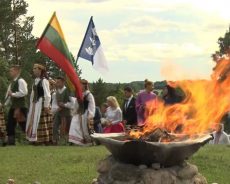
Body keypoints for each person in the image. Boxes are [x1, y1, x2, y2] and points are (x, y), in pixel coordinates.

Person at [26, 63, 53, 144]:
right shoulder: (35, 80)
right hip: (35, 103)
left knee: (41, 121)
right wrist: (31, 103)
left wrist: (46, 106)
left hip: (41, 103)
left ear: (40, 70)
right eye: (33, 68)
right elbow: (32, 94)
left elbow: (47, 94)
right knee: (34, 120)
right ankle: (35, 139)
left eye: (35, 68)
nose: (33, 70)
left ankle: (43, 140)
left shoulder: (44, 80)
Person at [5, 65, 28, 145]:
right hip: (13, 106)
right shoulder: (12, 82)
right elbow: (8, 95)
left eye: (11, 71)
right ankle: (11, 143)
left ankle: (33, 140)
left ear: (17, 71)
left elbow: (24, 92)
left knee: (24, 124)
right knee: (10, 124)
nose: (10, 72)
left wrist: (13, 94)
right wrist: (4, 104)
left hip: (21, 106)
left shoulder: (21, 81)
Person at [69, 79, 95, 145]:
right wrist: (74, 112)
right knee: (75, 125)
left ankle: (89, 141)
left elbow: (92, 105)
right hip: (80, 113)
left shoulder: (89, 94)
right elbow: (76, 104)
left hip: (86, 113)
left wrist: (90, 114)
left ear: (85, 85)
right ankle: (79, 141)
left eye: (81, 84)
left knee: (85, 128)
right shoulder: (79, 94)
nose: (80, 86)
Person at [52, 77, 75, 144]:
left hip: (67, 113)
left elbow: (73, 103)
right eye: (56, 82)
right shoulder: (56, 92)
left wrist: (64, 105)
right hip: (59, 112)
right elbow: (54, 103)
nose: (57, 83)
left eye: (58, 82)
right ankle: (55, 140)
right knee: (55, 125)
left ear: (63, 82)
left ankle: (69, 141)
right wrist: (56, 108)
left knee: (67, 127)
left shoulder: (67, 91)